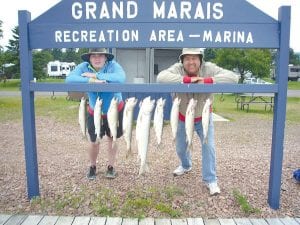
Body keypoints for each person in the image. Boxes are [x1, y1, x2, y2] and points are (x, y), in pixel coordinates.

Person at [157, 48, 239, 195]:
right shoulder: (177, 69)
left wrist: (207, 81)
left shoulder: (209, 68)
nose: (191, 62)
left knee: (209, 147)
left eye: (195, 58)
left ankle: (210, 180)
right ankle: (186, 165)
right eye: (187, 58)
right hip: (182, 116)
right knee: (181, 148)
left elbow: (233, 77)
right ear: (182, 60)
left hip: (204, 117)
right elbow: (161, 78)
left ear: (201, 60)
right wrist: (187, 80)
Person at [66, 48, 126, 180]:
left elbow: (121, 79)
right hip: (94, 110)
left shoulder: (113, 65)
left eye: (101, 55)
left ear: (106, 58)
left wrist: (96, 76)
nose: (97, 58)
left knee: (112, 138)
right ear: (89, 58)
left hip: (115, 108)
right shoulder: (83, 67)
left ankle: (111, 167)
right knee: (94, 141)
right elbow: (69, 79)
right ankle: (92, 166)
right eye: (93, 56)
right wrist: (91, 81)